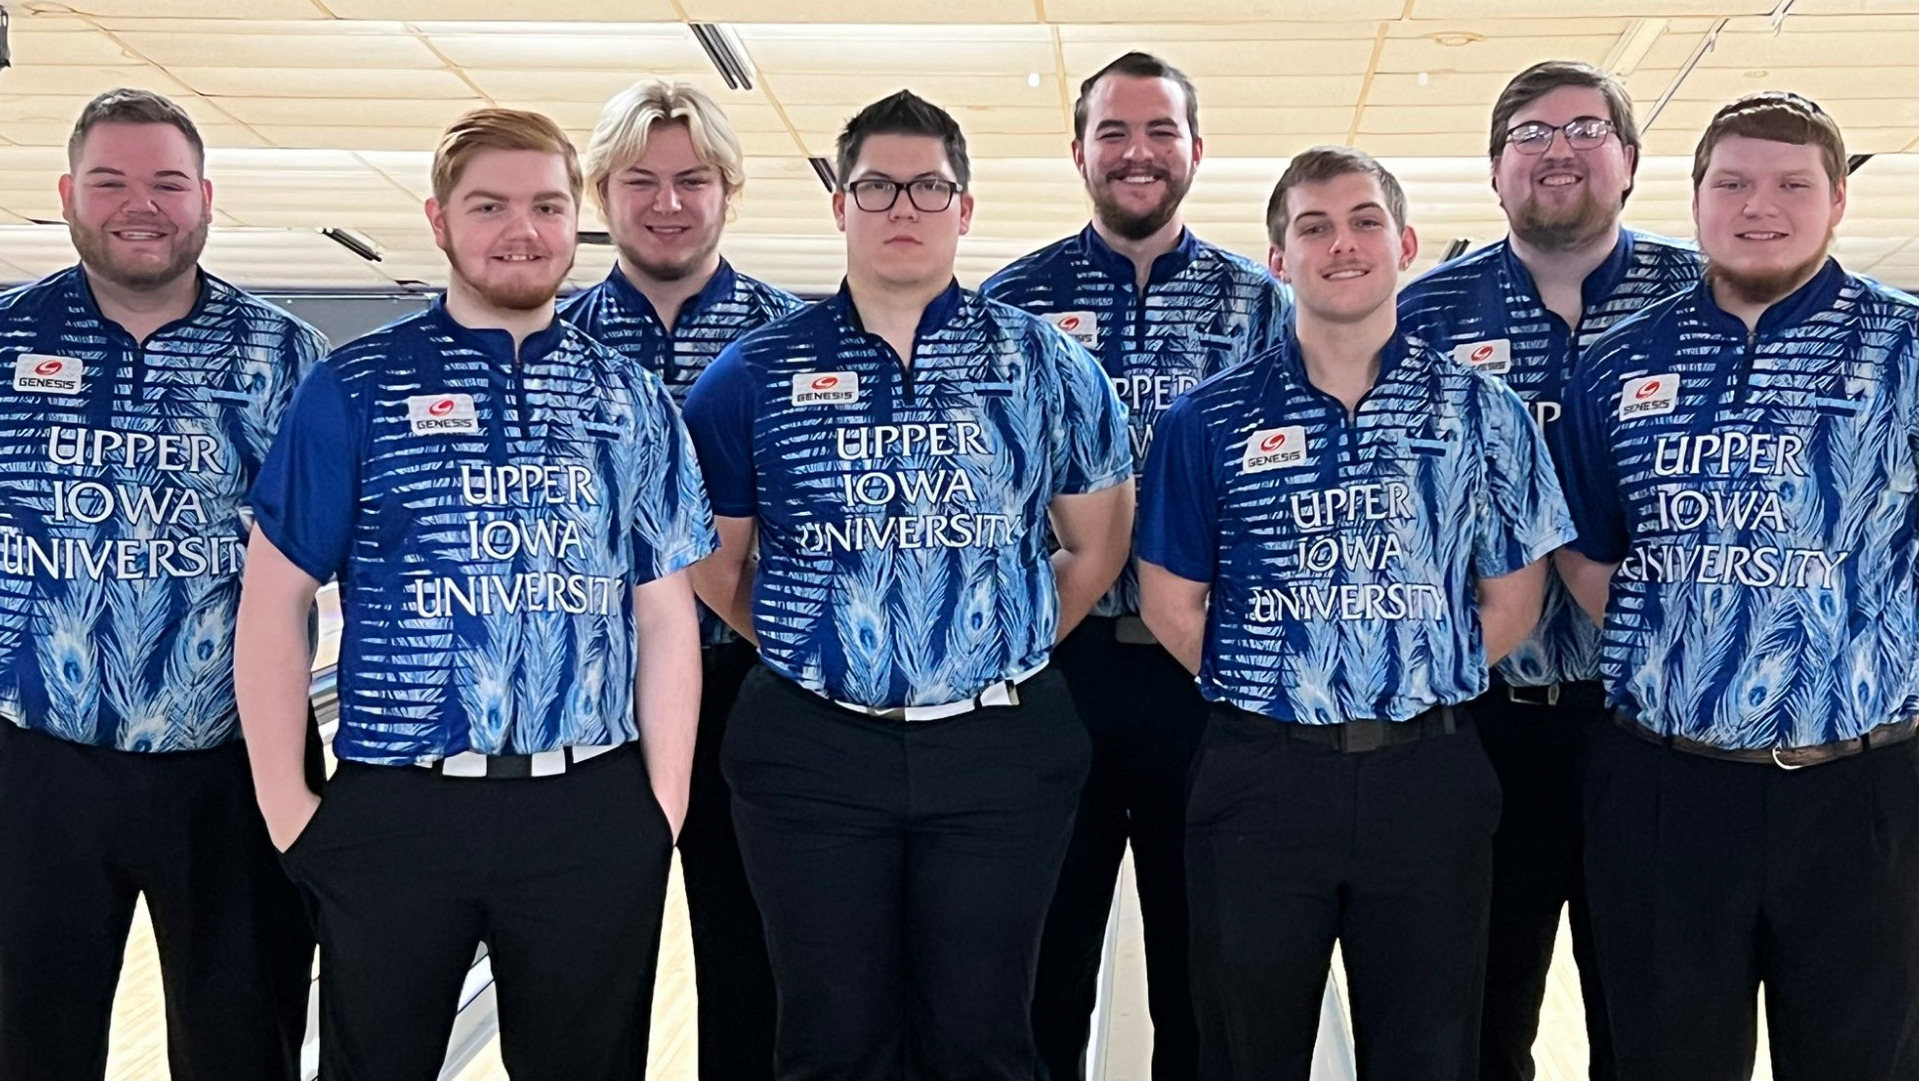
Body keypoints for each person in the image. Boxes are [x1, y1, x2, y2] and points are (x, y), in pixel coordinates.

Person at [236, 107, 713, 1081]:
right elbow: (275, 597)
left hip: (588, 805)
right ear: (439, 219)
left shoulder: (631, 399)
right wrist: (289, 807)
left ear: (574, 218)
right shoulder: (355, 385)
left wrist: (658, 809)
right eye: (488, 205)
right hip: (396, 808)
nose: (521, 229)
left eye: (546, 205)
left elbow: (664, 614)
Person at [681, 90, 1133, 1081]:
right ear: (838, 204)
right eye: (876, 186)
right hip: (810, 750)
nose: (901, 207)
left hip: (997, 749)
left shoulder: (1048, 366)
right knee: (828, 1037)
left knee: (983, 1036)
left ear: (963, 209)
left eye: (927, 187)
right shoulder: (753, 373)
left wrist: (997, 644)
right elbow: (713, 562)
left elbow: (1094, 548)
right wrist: (812, 644)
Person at [1137, 146, 1573, 1081]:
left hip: (1429, 775)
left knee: (1430, 1053)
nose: (1342, 244)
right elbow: (1172, 602)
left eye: (1364, 221)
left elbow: (1513, 599)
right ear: (1276, 259)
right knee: (1242, 1051)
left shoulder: (1483, 413)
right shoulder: (1204, 420)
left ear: (1404, 244)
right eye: (1313, 227)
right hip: (1260, 775)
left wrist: (1409, 671)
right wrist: (1283, 683)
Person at [1553, 91, 1919, 1081]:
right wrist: (1677, 640)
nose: (1759, 206)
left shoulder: (1902, 348)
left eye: (1791, 184)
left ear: (1836, 200)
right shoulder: (1620, 364)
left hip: (1859, 788)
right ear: (1695, 199)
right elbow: (1583, 544)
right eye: (1732, 184)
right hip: (1665, 787)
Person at [0, 87, 322, 1081]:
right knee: (26, 1045)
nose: (140, 205)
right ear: (67, 195)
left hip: (237, 759)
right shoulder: (6, 339)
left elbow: (337, 549)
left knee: (244, 1048)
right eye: (110, 182)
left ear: (205, 199)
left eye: (167, 183)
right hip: (34, 762)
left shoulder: (283, 354)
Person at [980, 53, 1289, 1079]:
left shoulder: (1262, 309)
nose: (1136, 152)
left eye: (1160, 130)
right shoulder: (1011, 306)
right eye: (1112, 131)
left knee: (1204, 969)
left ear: (1196, 149)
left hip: (1205, 675)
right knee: (1039, 960)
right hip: (1055, 667)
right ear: (1077, 152)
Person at [1395, 59, 1699, 1081]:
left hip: (1652, 723)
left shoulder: (1699, 300)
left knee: (1652, 1009)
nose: (1556, 150)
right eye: (1528, 133)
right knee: (1476, 1010)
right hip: (1482, 722)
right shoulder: (1423, 319)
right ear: (1493, 171)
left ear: (1629, 160)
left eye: (1583, 128)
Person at [558, 78, 802, 1081]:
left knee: (754, 967)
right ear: (600, 194)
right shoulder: (550, 343)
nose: (667, 202)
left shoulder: (792, 340)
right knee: (584, 974)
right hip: (591, 697)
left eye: (692, 180)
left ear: (727, 191)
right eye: (639, 180)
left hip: (751, 685)